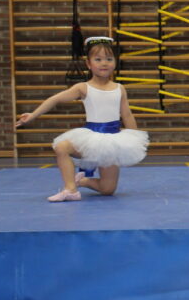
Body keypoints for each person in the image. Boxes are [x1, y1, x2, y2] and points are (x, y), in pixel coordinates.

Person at [15, 36, 148, 202]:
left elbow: (127, 115)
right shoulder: (83, 88)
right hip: (90, 139)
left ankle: (82, 180)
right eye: (98, 59)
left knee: (108, 190)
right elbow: (54, 99)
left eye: (109, 59)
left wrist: (134, 139)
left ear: (115, 62)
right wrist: (32, 115)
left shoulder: (120, 88)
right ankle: (70, 189)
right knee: (62, 147)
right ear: (89, 64)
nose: (104, 63)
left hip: (113, 141)